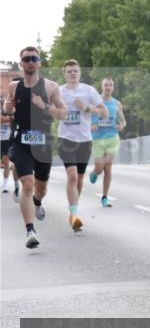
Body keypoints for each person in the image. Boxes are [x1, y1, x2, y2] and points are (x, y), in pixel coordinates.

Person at [6, 47, 68, 248]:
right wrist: (7, 108)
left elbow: (63, 114)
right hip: (21, 142)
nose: (30, 62)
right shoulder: (14, 86)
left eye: (34, 58)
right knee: (28, 184)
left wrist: (45, 106)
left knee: (40, 188)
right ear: (21, 63)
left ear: (39, 62)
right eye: (26, 59)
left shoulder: (50, 87)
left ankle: (38, 202)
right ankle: (30, 230)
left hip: (43, 143)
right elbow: (8, 107)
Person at [57, 60, 107, 231]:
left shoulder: (88, 91)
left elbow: (104, 113)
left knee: (79, 179)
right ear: (64, 74)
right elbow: (50, 111)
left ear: (80, 73)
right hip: (66, 138)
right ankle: (75, 213)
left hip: (84, 140)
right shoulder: (59, 91)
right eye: (69, 71)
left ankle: (73, 212)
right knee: (71, 177)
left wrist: (85, 107)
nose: (72, 73)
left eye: (75, 71)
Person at [89, 76, 126, 207]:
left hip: (112, 138)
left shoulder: (116, 104)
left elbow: (123, 121)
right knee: (100, 169)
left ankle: (105, 197)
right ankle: (95, 172)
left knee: (108, 169)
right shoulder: (95, 102)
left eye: (110, 85)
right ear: (102, 86)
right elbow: (87, 124)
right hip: (98, 139)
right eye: (106, 85)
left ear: (113, 87)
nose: (108, 87)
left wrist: (121, 126)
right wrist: (95, 126)